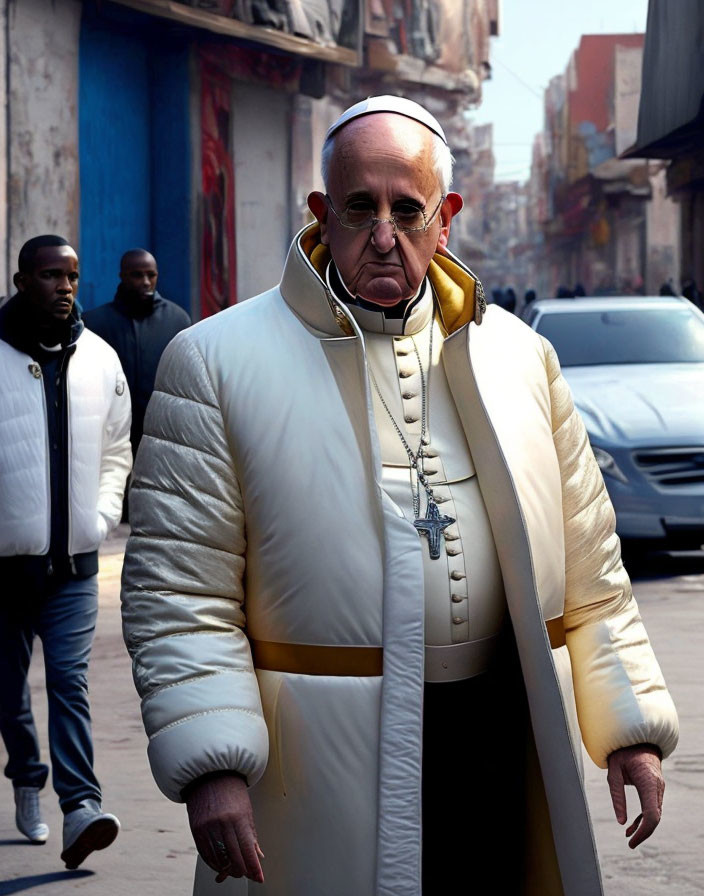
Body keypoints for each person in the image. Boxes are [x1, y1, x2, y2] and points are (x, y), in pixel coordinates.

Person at [121, 97, 678, 896]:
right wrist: (212, 762)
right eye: (359, 208)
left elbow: (593, 575)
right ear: (322, 213)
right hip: (316, 758)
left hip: (501, 731)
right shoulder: (214, 361)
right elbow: (179, 592)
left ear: (445, 217)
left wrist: (632, 730)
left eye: (407, 209)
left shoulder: (522, 358)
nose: (383, 235)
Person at [0, 235, 131, 868]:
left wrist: (102, 517)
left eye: (74, 276)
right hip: (4, 567)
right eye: (51, 275)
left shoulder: (101, 360)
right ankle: (27, 777)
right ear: (23, 281)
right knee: (5, 689)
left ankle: (80, 806)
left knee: (69, 682)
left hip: (75, 567)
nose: (65, 287)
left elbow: (116, 452)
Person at [83, 249, 191, 460]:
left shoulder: (178, 320)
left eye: (151, 275)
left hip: (163, 440)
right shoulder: (94, 323)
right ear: (122, 276)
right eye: (137, 275)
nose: (145, 282)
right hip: (109, 438)